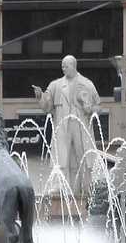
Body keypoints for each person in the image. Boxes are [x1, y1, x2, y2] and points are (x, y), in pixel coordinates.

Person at [33, 54, 102, 194]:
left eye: (66, 66)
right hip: (63, 125)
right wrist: (40, 96)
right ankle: (59, 185)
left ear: (73, 66)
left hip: (80, 125)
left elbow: (98, 106)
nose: (64, 69)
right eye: (62, 67)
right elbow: (47, 107)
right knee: (60, 156)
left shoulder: (87, 84)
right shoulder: (55, 85)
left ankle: (86, 185)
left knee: (83, 155)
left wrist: (91, 110)